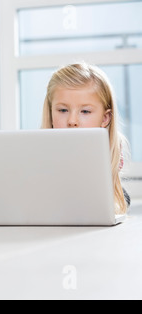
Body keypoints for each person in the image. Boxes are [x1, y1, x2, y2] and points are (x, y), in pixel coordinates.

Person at [41, 62, 130, 214]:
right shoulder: (39, 155)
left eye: (85, 111)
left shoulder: (110, 153)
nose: (72, 121)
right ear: (50, 112)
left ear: (105, 118)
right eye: (63, 110)